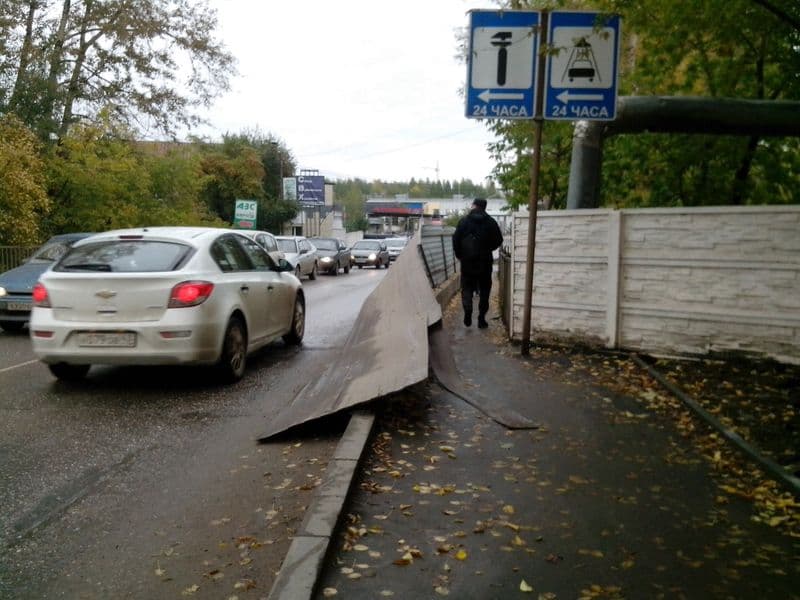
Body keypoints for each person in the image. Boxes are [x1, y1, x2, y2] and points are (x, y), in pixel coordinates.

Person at [452, 198, 503, 328]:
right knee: (485, 290)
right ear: (484, 207)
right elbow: (499, 240)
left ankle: (468, 310)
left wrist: (460, 255)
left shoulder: (463, 221)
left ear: (474, 205)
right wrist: (488, 248)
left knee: (467, 288)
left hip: (467, 262)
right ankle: (481, 319)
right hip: (485, 262)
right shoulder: (491, 222)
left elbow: (455, 240)